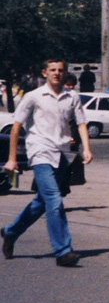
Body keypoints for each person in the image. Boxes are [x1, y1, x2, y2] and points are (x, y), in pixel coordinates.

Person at [2, 59, 94, 267]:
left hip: (61, 153)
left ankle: (11, 231)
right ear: (45, 73)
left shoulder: (72, 96)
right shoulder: (34, 96)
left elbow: (81, 124)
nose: (57, 74)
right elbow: (16, 127)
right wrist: (12, 158)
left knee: (41, 203)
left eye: (61, 70)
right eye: (52, 70)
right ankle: (63, 251)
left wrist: (86, 148)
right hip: (40, 151)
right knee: (53, 199)